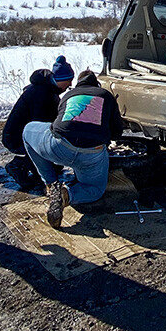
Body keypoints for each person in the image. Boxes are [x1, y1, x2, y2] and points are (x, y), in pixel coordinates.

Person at [22, 69, 124, 229]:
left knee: (28, 130)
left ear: (78, 83)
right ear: (96, 83)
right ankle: (66, 195)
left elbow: (60, 121)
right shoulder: (106, 95)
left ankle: (50, 183)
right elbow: (118, 132)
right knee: (95, 189)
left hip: (59, 146)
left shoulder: (69, 95)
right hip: (91, 154)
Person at [1, 55, 75, 188]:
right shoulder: (42, 94)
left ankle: (35, 170)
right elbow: (38, 129)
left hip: (20, 134)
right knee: (48, 147)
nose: (70, 85)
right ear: (59, 80)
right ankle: (17, 165)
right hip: (15, 138)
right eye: (69, 81)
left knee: (55, 167)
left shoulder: (46, 89)